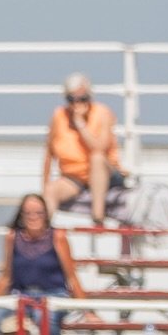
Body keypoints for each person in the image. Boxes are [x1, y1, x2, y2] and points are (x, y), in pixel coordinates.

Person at [0, 193, 97, 335]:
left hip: (53, 295)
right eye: (28, 213)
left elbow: (72, 277)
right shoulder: (12, 238)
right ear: (21, 215)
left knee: (44, 319)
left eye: (39, 212)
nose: (33, 217)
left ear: (46, 215)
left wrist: (87, 311)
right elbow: (6, 277)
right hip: (21, 296)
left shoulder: (58, 237)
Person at [42, 73, 126, 223]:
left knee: (97, 157)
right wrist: (45, 185)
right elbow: (49, 153)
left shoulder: (102, 113)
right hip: (74, 178)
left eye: (83, 99)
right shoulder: (59, 115)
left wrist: (80, 124)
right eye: (71, 99)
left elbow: (99, 147)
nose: (77, 104)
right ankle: (42, 235)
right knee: (51, 190)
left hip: (106, 173)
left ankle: (97, 216)